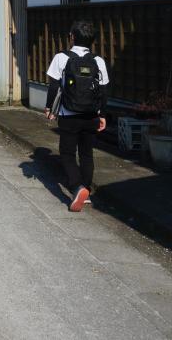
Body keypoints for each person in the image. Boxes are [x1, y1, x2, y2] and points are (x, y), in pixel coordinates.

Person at [44, 19, 109, 212]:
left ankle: (77, 186)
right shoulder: (98, 61)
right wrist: (103, 115)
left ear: (72, 37)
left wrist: (49, 109)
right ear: (92, 40)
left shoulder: (61, 57)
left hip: (68, 114)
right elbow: (104, 91)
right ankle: (86, 190)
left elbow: (54, 85)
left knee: (67, 153)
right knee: (87, 153)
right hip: (91, 115)